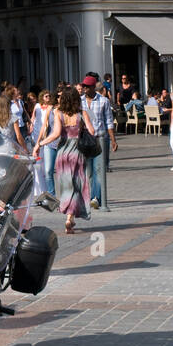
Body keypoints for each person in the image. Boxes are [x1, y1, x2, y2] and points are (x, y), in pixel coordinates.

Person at [53, 88, 91, 234]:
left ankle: (70, 217)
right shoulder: (82, 114)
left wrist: (40, 144)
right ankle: (69, 217)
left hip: (62, 153)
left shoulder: (58, 114)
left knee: (66, 185)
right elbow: (92, 131)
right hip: (77, 152)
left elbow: (56, 134)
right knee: (77, 185)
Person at [81, 76, 116, 209]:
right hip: (85, 140)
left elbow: (109, 121)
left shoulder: (103, 101)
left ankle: (96, 198)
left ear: (93, 87)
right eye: (83, 86)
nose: (84, 89)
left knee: (99, 170)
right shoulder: (80, 101)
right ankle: (91, 196)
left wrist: (113, 139)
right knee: (88, 171)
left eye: (87, 86)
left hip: (100, 138)